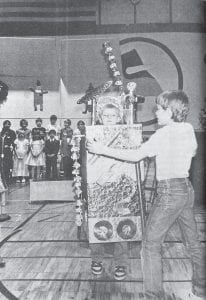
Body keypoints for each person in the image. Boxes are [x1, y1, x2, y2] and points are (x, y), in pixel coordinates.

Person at [87, 90, 205, 299]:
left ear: (170, 111)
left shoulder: (163, 134)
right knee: (193, 243)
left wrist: (101, 149)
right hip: (186, 189)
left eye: (160, 108)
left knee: (150, 246)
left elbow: (135, 156)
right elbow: (194, 151)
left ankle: (153, 296)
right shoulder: (187, 128)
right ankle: (200, 290)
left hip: (169, 192)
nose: (156, 112)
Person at [89, 103, 129, 281]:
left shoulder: (128, 135)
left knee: (123, 224)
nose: (110, 118)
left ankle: (120, 263)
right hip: (98, 186)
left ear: (119, 117)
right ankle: (96, 260)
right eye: (106, 116)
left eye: (113, 115)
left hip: (120, 187)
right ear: (100, 118)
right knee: (97, 222)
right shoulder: (93, 136)